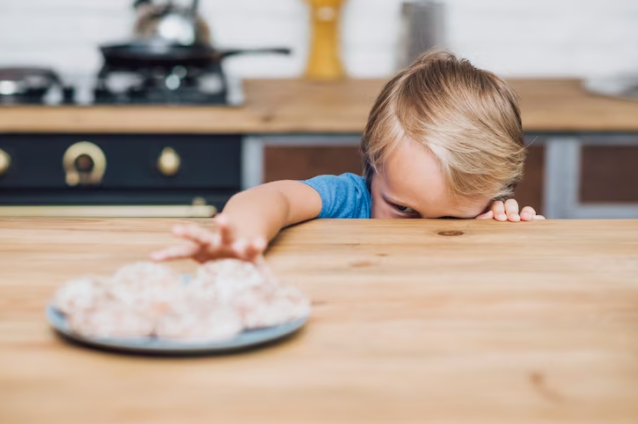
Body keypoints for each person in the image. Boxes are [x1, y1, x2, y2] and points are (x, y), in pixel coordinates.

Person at [151, 50, 544, 264]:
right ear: (372, 165)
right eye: (403, 210)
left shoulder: (487, 215)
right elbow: (274, 199)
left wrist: (501, 237)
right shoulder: (350, 199)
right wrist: (242, 234)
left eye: (450, 220)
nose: (420, 238)